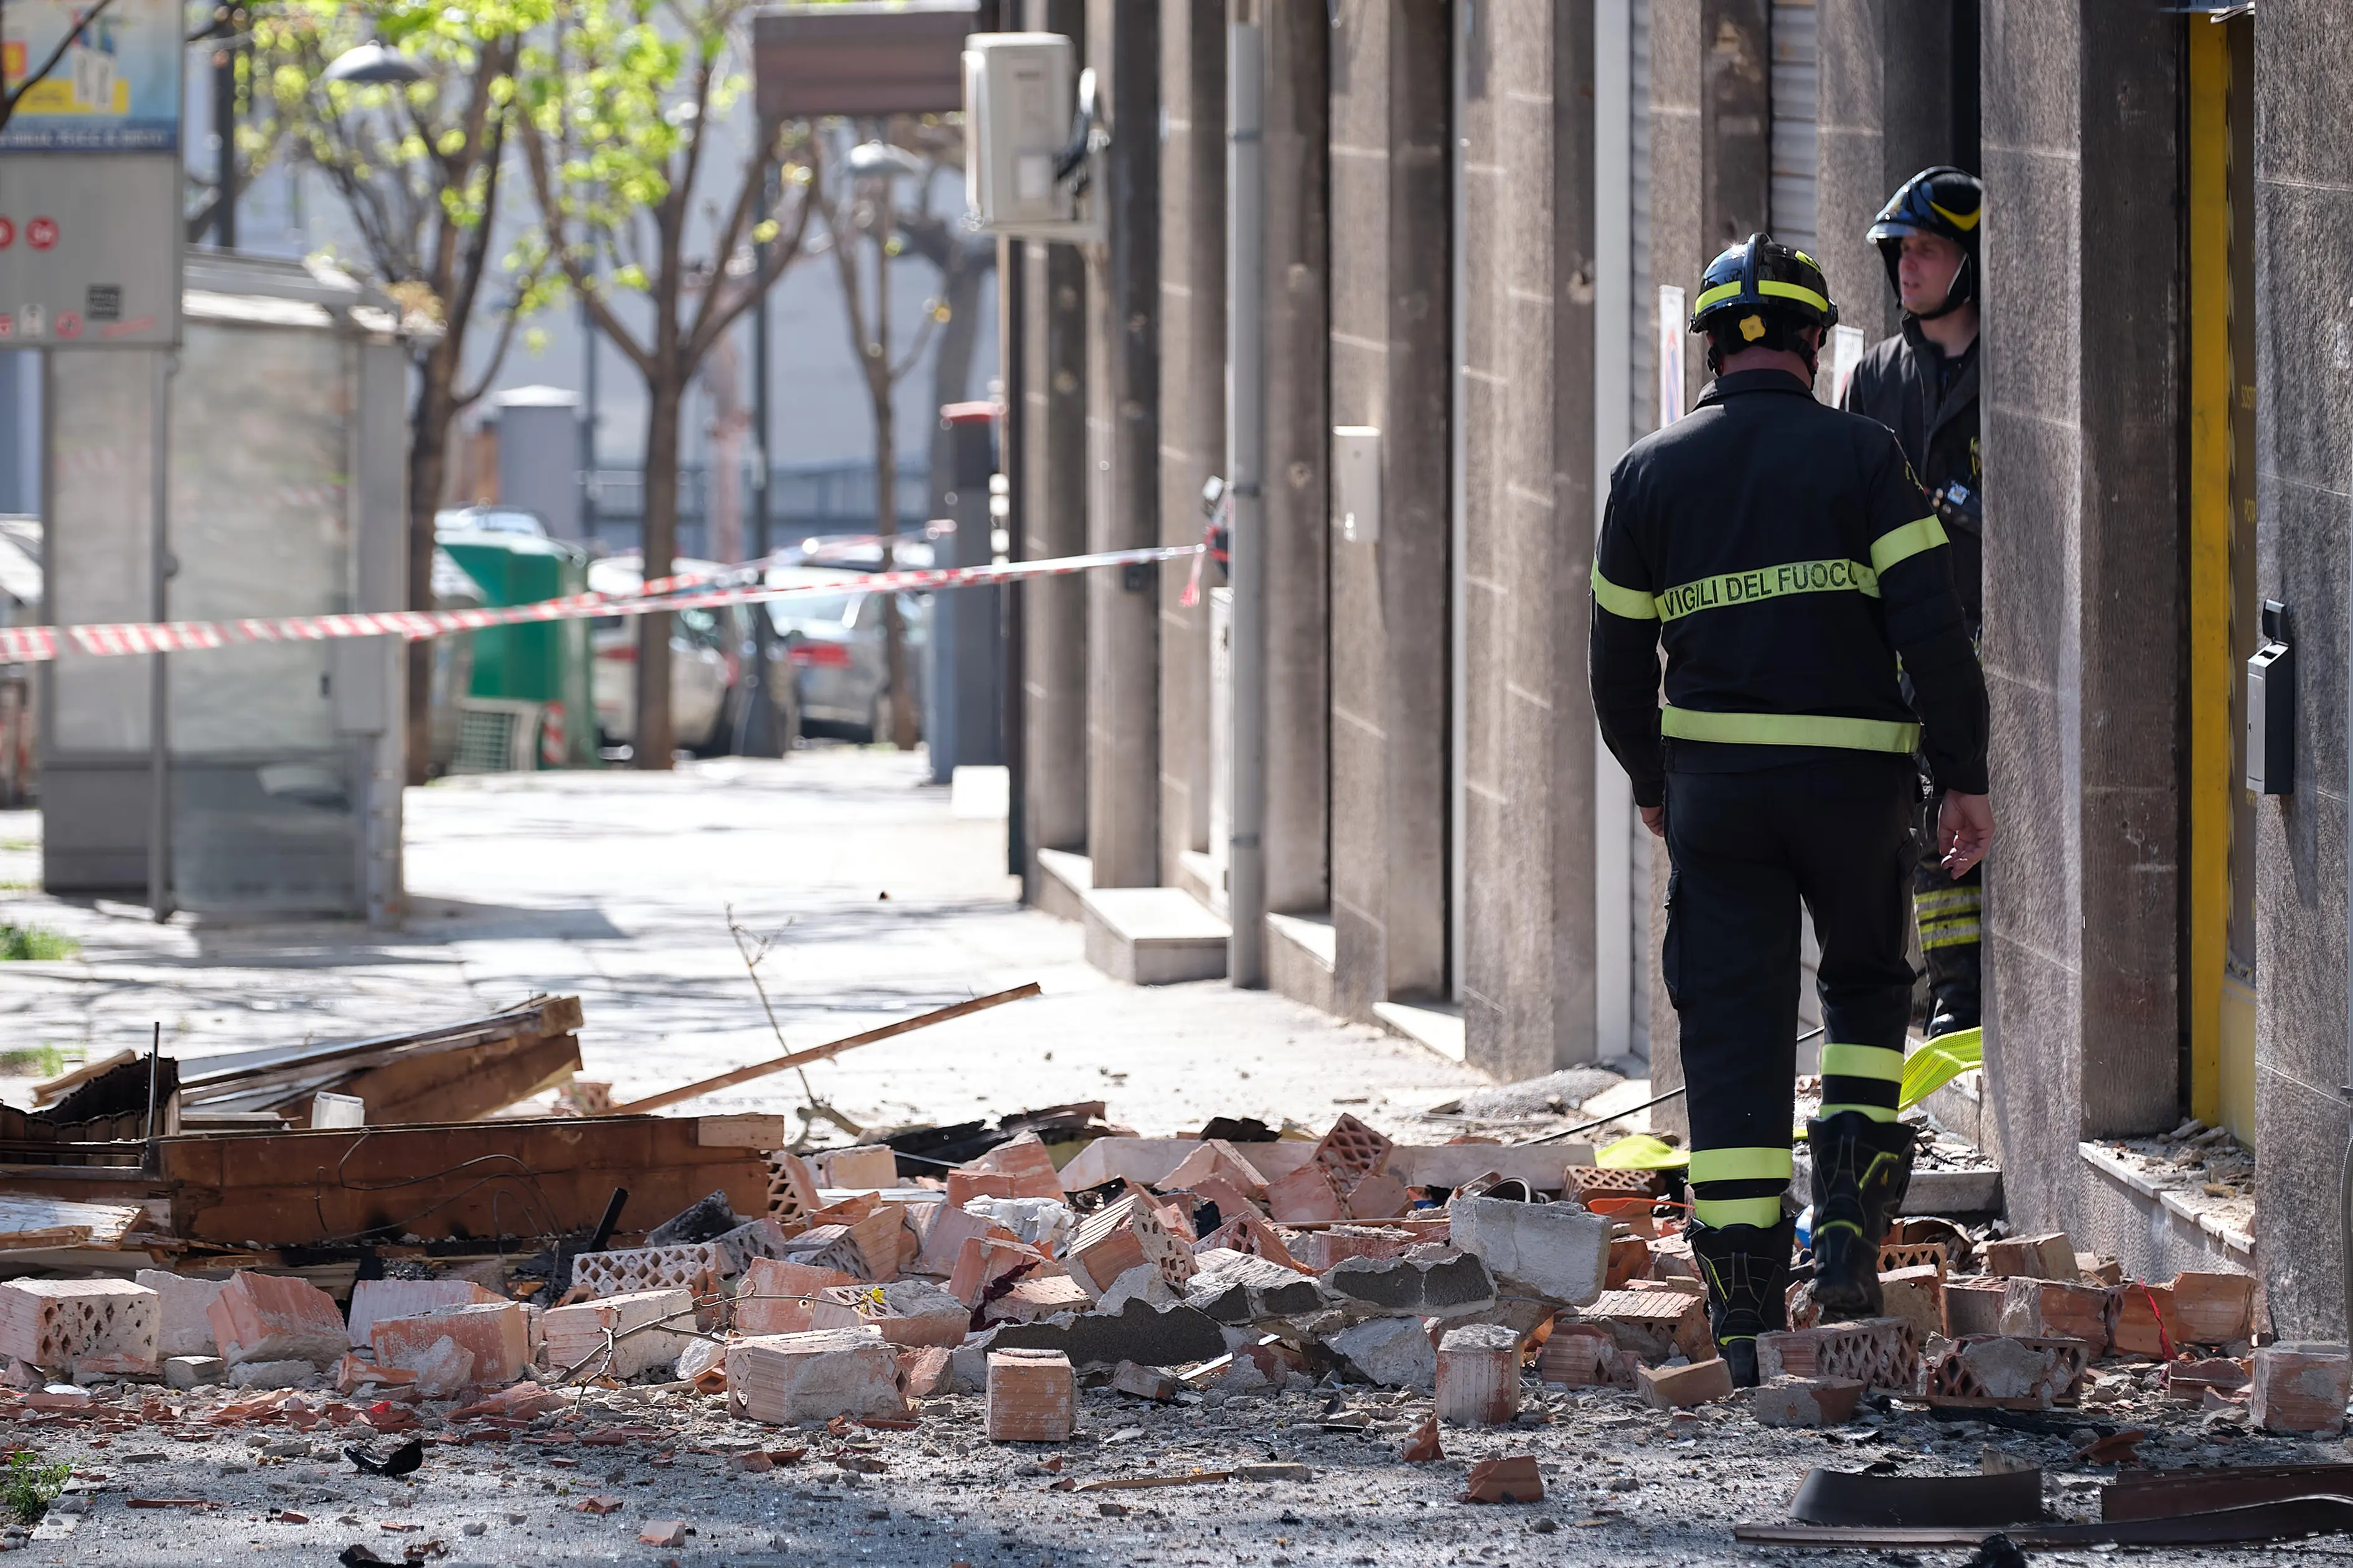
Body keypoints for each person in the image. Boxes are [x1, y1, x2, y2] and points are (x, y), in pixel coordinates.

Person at [1589, 235, 1994, 1386]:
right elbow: (1935, 633)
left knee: (1732, 1026)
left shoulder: (1649, 473)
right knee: (1867, 989)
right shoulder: (1867, 457)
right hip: (1859, 791)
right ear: (1817, 343)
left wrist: (1655, 782)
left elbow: (1616, 667)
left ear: (1710, 346)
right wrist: (1964, 773)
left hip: (1718, 799)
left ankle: (1745, 1312)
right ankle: (1856, 1239)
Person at [1843, 166, 1986, 1038]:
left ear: (1969, 261)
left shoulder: (2014, 372)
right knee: (1924, 830)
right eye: (1901, 251)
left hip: (1995, 638)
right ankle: (1953, 998)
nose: (1908, 266)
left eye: (1928, 249)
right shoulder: (1876, 380)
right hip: (1905, 648)